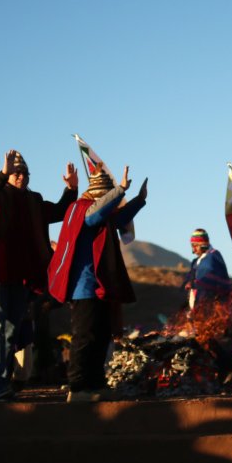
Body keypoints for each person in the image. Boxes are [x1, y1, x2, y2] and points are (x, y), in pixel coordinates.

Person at [0, 149, 78, 401]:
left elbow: (58, 212)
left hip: (20, 271)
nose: (21, 176)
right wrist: (1, 174)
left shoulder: (33, 200)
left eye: (25, 173)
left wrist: (71, 189)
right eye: (16, 173)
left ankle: (2, 382)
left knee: (12, 327)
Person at [48, 137, 147, 403]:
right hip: (83, 287)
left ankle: (95, 383)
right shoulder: (80, 209)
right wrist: (121, 190)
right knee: (85, 337)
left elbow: (117, 218)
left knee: (102, 336)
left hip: (100, 286)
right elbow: (94, 215)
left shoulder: (100, 214)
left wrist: (139, 200)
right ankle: (77, 387)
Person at [183, 229, 232, 335]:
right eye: (192, 245)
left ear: (203, 244)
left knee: (209, 333)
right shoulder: (197, 261)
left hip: (212, 305)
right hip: (199, 305)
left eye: (195, 245)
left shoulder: (213, 256)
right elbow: (193, 278)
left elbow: (216, 279)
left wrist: (197, 283)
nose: (193, 249)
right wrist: (190, 282)